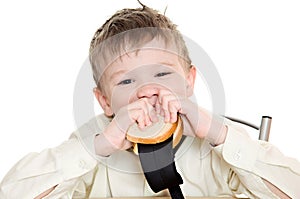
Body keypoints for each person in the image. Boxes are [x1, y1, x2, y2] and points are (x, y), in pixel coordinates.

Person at [0, 2, 299, 199]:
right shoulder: (94, 142)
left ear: (189, 82)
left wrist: (218, 134)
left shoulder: (214, 145)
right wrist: (100, 146)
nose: (147, 91)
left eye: (162, 74)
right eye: (126, 81)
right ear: (105, 102)